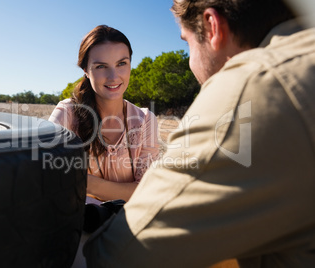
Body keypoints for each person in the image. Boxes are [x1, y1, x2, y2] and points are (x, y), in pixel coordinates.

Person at [83, 0, 315, 267]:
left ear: (212, 26)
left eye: (186, 43)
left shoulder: (251, 84)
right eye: (101, 66)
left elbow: (118, 255)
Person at [49, 25, 160, 202]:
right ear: (85, 70)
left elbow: (147, 192)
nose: (113, 77)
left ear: (131, 65)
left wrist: (85, 182)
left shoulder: (145, 120)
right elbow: (48, 177)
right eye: (101, 66)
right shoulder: (66, 114)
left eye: (121, 64)